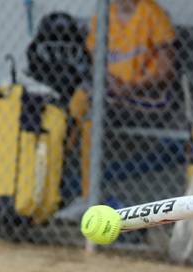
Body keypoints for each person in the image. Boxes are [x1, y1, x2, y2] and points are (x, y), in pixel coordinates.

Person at [68, 0, 176, 199]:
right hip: (112, 94)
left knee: (88, 106)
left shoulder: (152, 13)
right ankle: (73, 182)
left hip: (148, 96)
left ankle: (86, 194)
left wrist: (131, 87)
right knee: (82, 101)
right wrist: (108, 81)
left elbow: (166, 71)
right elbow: (95, 58)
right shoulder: (104, 14)